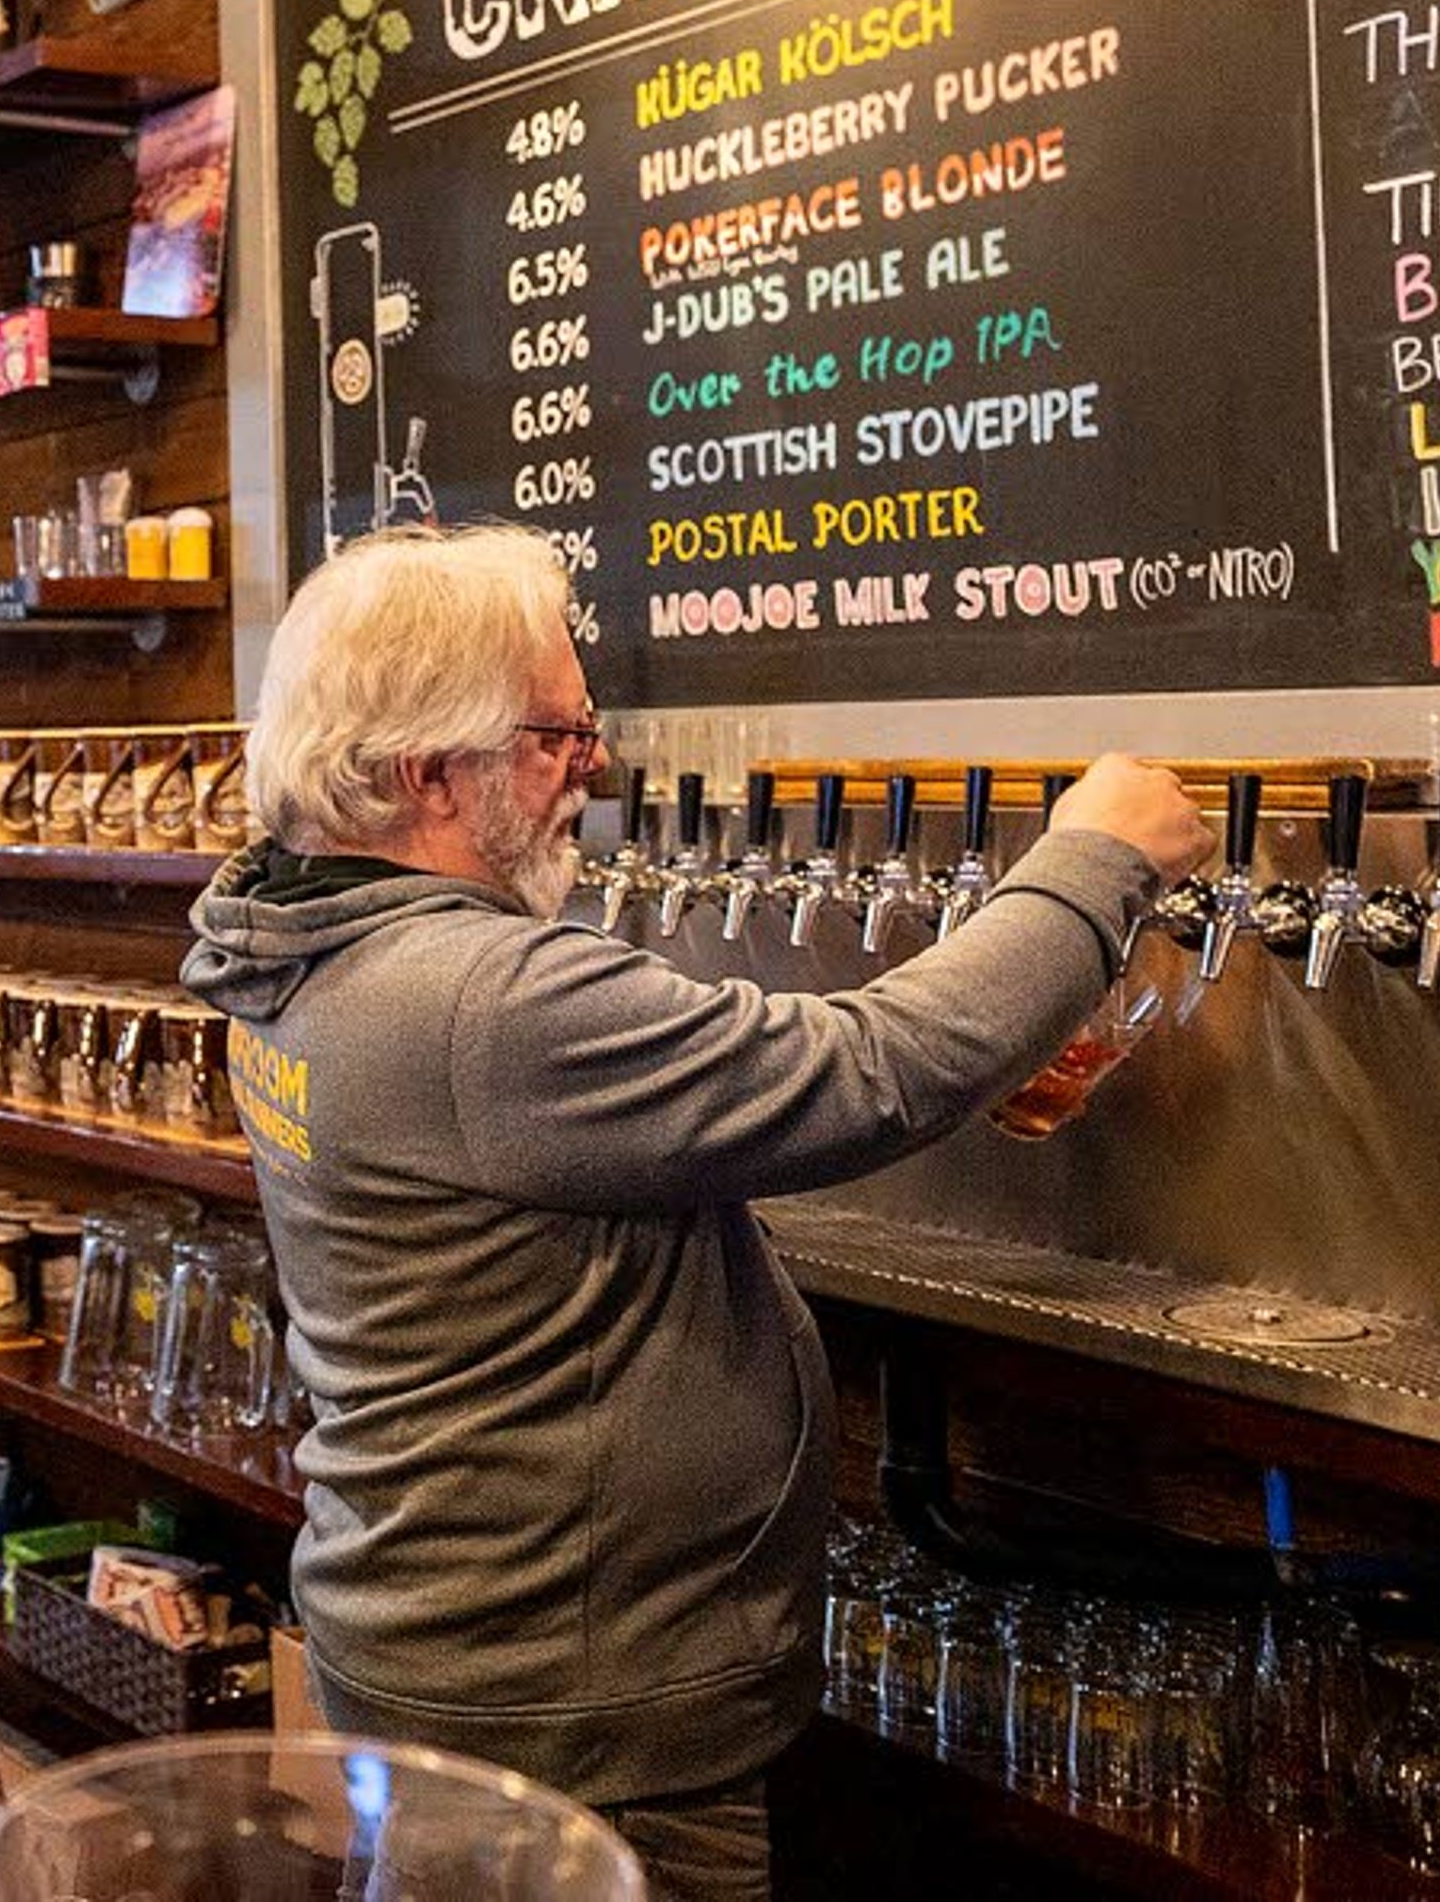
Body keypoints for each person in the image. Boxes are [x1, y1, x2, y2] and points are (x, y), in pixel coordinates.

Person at [180, 524, 1208, 1902]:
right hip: (576, 1721)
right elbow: (870, 1071)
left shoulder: (306, 948)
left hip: (460, 1648)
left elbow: (684, 1122)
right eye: (552, 736)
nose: (588, 767)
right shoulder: (473, 999)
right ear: (428, 770)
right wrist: (1093, 857)